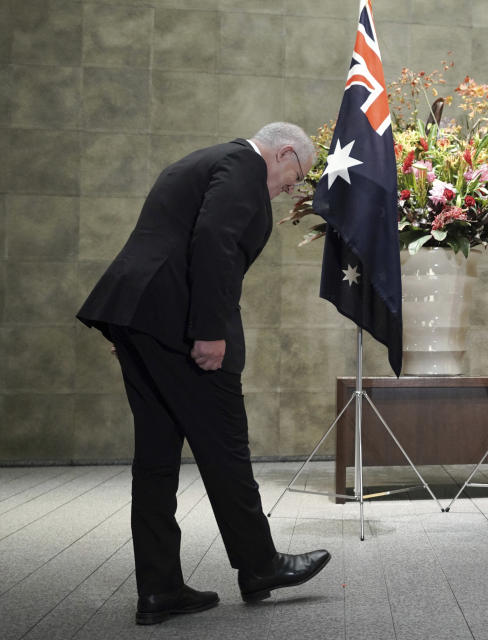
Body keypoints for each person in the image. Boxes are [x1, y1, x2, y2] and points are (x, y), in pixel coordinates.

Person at [77, 122, 330, 625]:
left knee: (155, 457)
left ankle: (159, 588)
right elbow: (214, 240)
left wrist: (141, 328)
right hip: (180, 325)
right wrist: (209, 330)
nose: (289, 190)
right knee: (225, 445)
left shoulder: (202, 160)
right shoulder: (243, 165)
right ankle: (260, 565)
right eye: (294, 178)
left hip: (143, 315)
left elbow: (167, 240)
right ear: (282, 153)